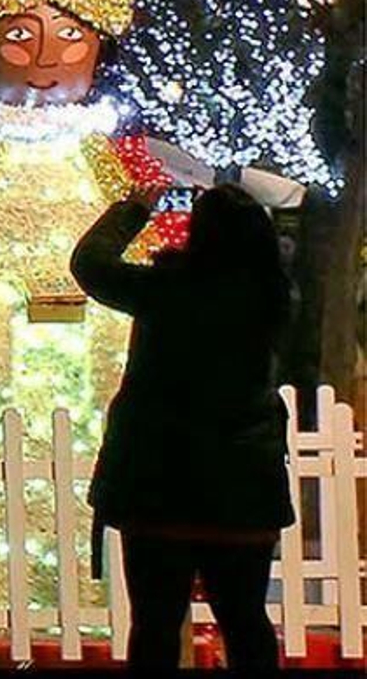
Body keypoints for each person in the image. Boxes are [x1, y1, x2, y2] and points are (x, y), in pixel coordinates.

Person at [71, 184, 295, 670]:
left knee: (154, 623)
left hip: (158, 487)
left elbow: (90, 265)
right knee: (245, 619)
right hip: (243, 490)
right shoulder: (271, 296)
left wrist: (133, 210)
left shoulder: (163, 289)